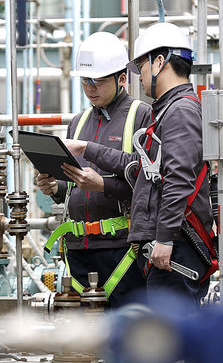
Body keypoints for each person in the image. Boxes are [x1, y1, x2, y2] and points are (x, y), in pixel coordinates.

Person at [65, 22, 215, 304]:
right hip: (161, 245)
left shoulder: (179, 111)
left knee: (168, 338)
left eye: (142, 69)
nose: (141, 78)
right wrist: (87, 149)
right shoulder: (168, 110)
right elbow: (140, 169)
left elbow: (178, 180)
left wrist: (165, 238)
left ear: (160, 62)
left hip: (175, 246)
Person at [36, 31, 152, 307]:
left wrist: (102, 185)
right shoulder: (78, 121)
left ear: (122, 78)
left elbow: (148, 185)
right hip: (78, 250)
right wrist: (56, 188)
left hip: (121, 250)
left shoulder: (141, 115)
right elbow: (75, 184)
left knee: (125, 333)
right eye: (85, 81)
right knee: (83, 342)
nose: (90, 88)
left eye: (98, 81)